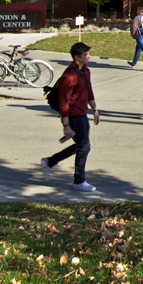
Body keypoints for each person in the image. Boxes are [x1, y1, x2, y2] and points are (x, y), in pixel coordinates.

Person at [41, 42, 100, 192]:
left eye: (88, 54)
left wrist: (95, 109)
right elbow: (63, 102)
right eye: (86, 55)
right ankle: (79, 181)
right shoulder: (69, 76)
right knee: (84, 146)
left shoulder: (86, 71)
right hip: (73, 116)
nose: (89, 56)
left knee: (81, 146)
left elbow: (89, 91)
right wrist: (66, 125)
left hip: (83, 114)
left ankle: (50, 162)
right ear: (76, 57)